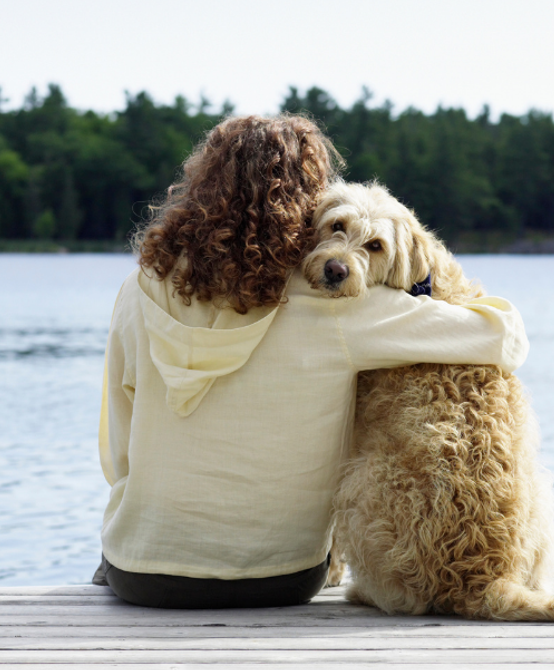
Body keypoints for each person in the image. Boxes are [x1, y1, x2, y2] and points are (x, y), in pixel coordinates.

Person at [95, 114, 529, 609]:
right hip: (281, 577)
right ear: (305, 205)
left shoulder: (138, 289)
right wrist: (429, 277)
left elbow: (117, 449)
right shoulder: (339, 306)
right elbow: (505, 338)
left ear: (198, 186)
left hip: (142, 574)